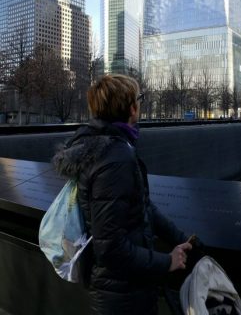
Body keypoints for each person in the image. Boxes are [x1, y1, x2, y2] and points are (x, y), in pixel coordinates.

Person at [52, 74, 194, 314]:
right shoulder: (115, 158)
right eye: (139, 99)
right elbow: (110, 248)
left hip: (120, 289)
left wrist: (178, 237)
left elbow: (141, 205)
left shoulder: (100, 145)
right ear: (131, 108)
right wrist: (167, 261)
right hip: (123, 296)